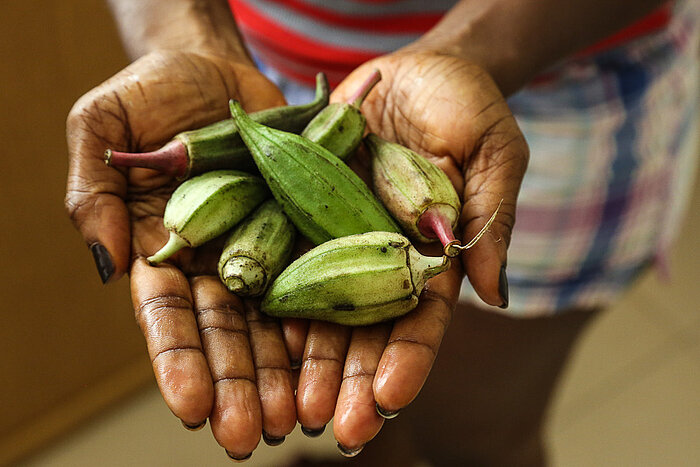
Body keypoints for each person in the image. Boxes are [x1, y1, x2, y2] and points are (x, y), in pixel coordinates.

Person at [65, 0, 698, 464]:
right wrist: (186, 32)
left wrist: (462, 52)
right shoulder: (268, 144)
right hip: (250, 74)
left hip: (551, 72)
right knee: (366, 414)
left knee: (477, 435)